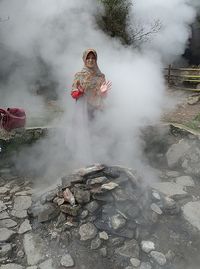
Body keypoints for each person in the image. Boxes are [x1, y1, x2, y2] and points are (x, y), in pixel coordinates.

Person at [71, 48, 111, 119]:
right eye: (88, 58)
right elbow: (73, 94)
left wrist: (103, 92)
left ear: (96, 60)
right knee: (83, 129)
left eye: (93, 58)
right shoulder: (79, 75)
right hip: (83, 110)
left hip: (98, 110)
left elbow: (104, 97)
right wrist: (79, 92)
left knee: (99, 128)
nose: (90, 60)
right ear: (84, 60)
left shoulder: (101, 76)